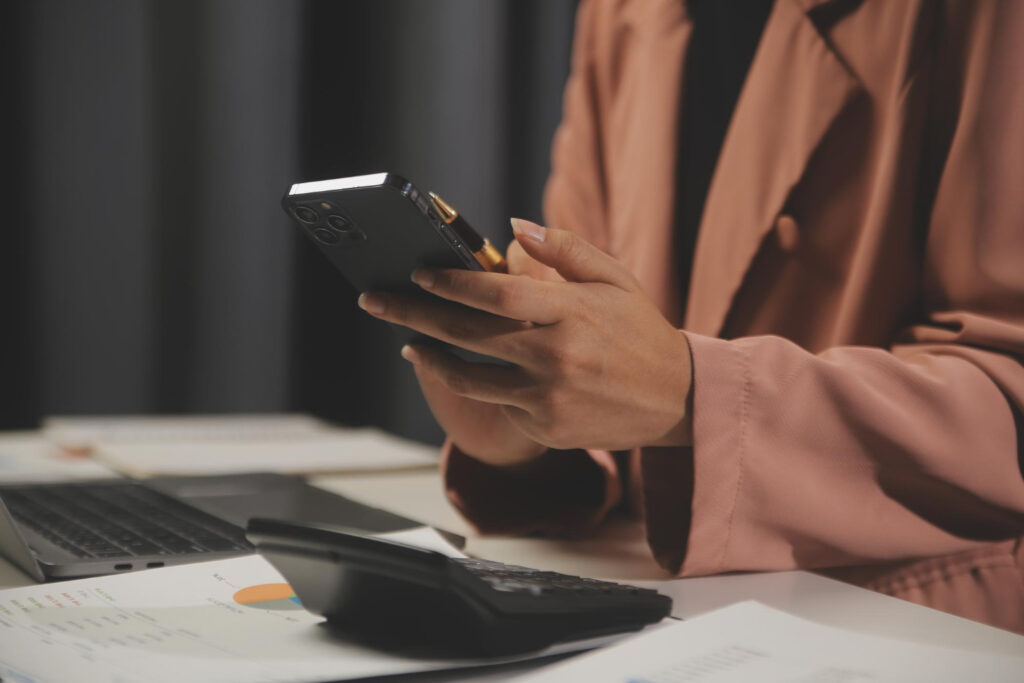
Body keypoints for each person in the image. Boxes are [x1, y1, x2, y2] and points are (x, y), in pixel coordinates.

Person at [358, 0, 1024, 633]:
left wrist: (692, 397)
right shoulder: (624, 12)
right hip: (671, 609)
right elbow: (607, 356)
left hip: (906, 626)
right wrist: (530, 429)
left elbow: (1009, 396)